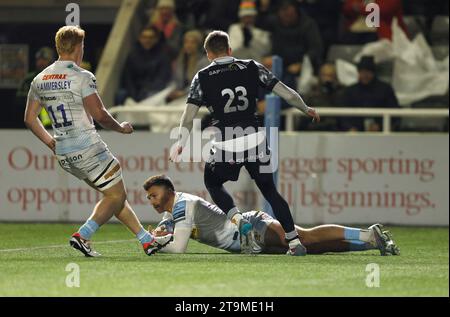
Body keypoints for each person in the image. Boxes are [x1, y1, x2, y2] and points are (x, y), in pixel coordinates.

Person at [24, 25, 172, 257]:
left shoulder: (40, 79)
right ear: (77, 47)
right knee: (116, 195)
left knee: (112, 196)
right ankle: (83, 235)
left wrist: (51, 142)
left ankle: (146, 240)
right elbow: (100, 115)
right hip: (87, 146)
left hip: (64, 153)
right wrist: (121, 128)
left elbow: (29, 119)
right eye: (82, 45)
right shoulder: (82, 77)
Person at [169, 30, 320, 256]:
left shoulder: (202, 76)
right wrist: (305, 108)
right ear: (230, 50)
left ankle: (238, 220)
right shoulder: (252, 66)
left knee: (212, 183)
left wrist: (180, 142)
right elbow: (286, 94)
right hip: (254, 138)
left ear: (208, 54)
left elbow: (188, 116)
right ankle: (294, 242)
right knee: (270, 191)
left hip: (227, 142)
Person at [143, 175, 400, 255]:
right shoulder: (173, 213)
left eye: (154, 195)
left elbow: (177, 248)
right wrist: (159, 237)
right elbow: (166, 232)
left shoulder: (182, 205)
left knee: (305, 238)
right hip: (250, 243)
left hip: (253, 228)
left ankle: (367, 233)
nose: (152, 201)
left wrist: (155, 244)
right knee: (313, 249)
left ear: (169, 191)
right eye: (149, 198)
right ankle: (371, 243)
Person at [339, 55, 400, 132]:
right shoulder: (350, 91)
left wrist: (380, 126)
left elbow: (394, 113)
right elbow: (343, 115)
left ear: (373, 72)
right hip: (354, 135)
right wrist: (350, 128)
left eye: (368, 72)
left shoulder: (385, 90)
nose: (365, 75)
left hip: (381, 135)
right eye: (362, 72)